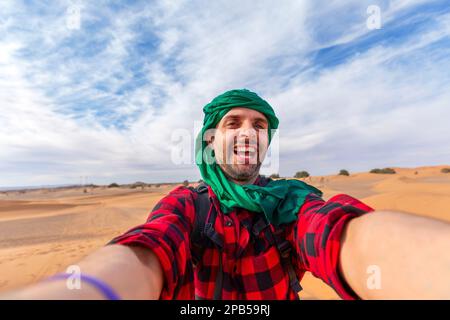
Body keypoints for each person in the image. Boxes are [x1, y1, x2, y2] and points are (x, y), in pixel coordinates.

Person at [1, 89, 449, 300]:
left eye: (259, 126)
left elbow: (336, 233)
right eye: (233, 124)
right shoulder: (188, 204)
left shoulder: (291, 204)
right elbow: (150, 249)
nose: (248, 133)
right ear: (210, 140)